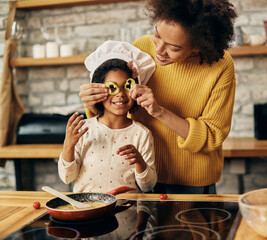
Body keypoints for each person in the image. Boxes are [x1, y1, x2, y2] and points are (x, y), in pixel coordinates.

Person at [79, 0, 237, 194]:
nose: (159, 51)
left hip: (191, 184)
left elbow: (212, 135)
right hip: (138, 175)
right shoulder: (141, 49)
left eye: (174, 47)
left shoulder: (221, 66)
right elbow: (118, 111)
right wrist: (93, 102)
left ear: (197, 47)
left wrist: (159, 112)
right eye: (157, 35)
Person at [58, 41, 157, 193]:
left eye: (127, 86)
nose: (120, 94)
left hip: (125, 212)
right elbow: (67, 177)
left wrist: (139, 162)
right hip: (88, 211)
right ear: (97, 91)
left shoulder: (142, 134)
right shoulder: (84, 129)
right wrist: (68, 146)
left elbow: (148, 186)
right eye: (112, 87)